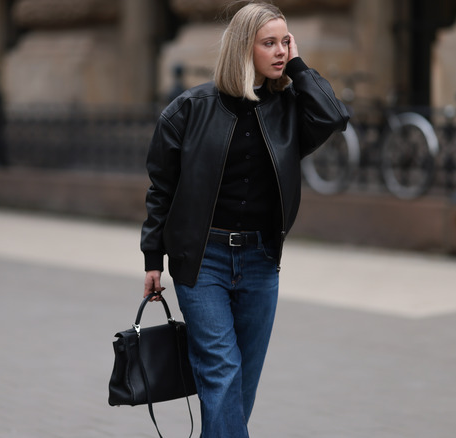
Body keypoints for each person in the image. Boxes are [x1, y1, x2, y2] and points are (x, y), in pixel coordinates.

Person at [140, 2, 349, 437]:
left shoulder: (288, 110)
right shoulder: (189, 110)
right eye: (269, 43)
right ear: (242, 48)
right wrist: (152, 259)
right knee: (222, 372)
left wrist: (298, 66)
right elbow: (162, 190)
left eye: (285, 42)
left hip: (260, 260)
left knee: (241, 384)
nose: (280, 51)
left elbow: (333, 116)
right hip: (203, 261)